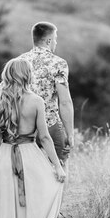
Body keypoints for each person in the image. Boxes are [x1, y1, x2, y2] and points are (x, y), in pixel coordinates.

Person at [0, 58, 66, 218]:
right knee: (33, 208)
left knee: (6, 213)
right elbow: (44, 137)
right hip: (29, 157)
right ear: (27, 75)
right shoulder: (36, 101)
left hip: (4, 157)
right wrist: (58, 166)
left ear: (8, 74)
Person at [19, 22, 74, 167]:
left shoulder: (19, 62)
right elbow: (65, 102)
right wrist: (70, 134)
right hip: (50, 124)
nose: (55, 42)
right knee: (59, 168)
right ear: (49, 40)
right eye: (55, 39)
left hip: (23, 125)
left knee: (27, 169)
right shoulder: (58, 63)